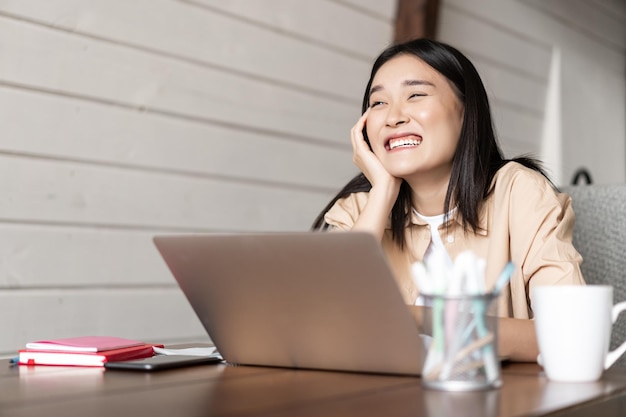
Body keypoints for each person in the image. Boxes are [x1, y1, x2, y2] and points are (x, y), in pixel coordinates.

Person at [311, 38, 584, 362]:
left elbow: (569, 332)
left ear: (466, 112)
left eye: (416, 95)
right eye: (378, 103)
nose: (393, 117)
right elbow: (320, 329)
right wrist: (382, 190)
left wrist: (411, 318)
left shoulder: (518, 192)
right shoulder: (358, 210)